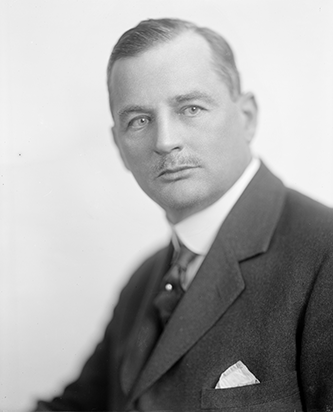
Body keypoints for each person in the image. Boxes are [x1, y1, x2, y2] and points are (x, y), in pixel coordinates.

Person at [34, 18, 333, 412]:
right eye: (139, 120)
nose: (165, 141)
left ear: (247, 117)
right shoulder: (143, 282)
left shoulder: (324, 255)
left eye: (190, 108)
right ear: (118, 145)